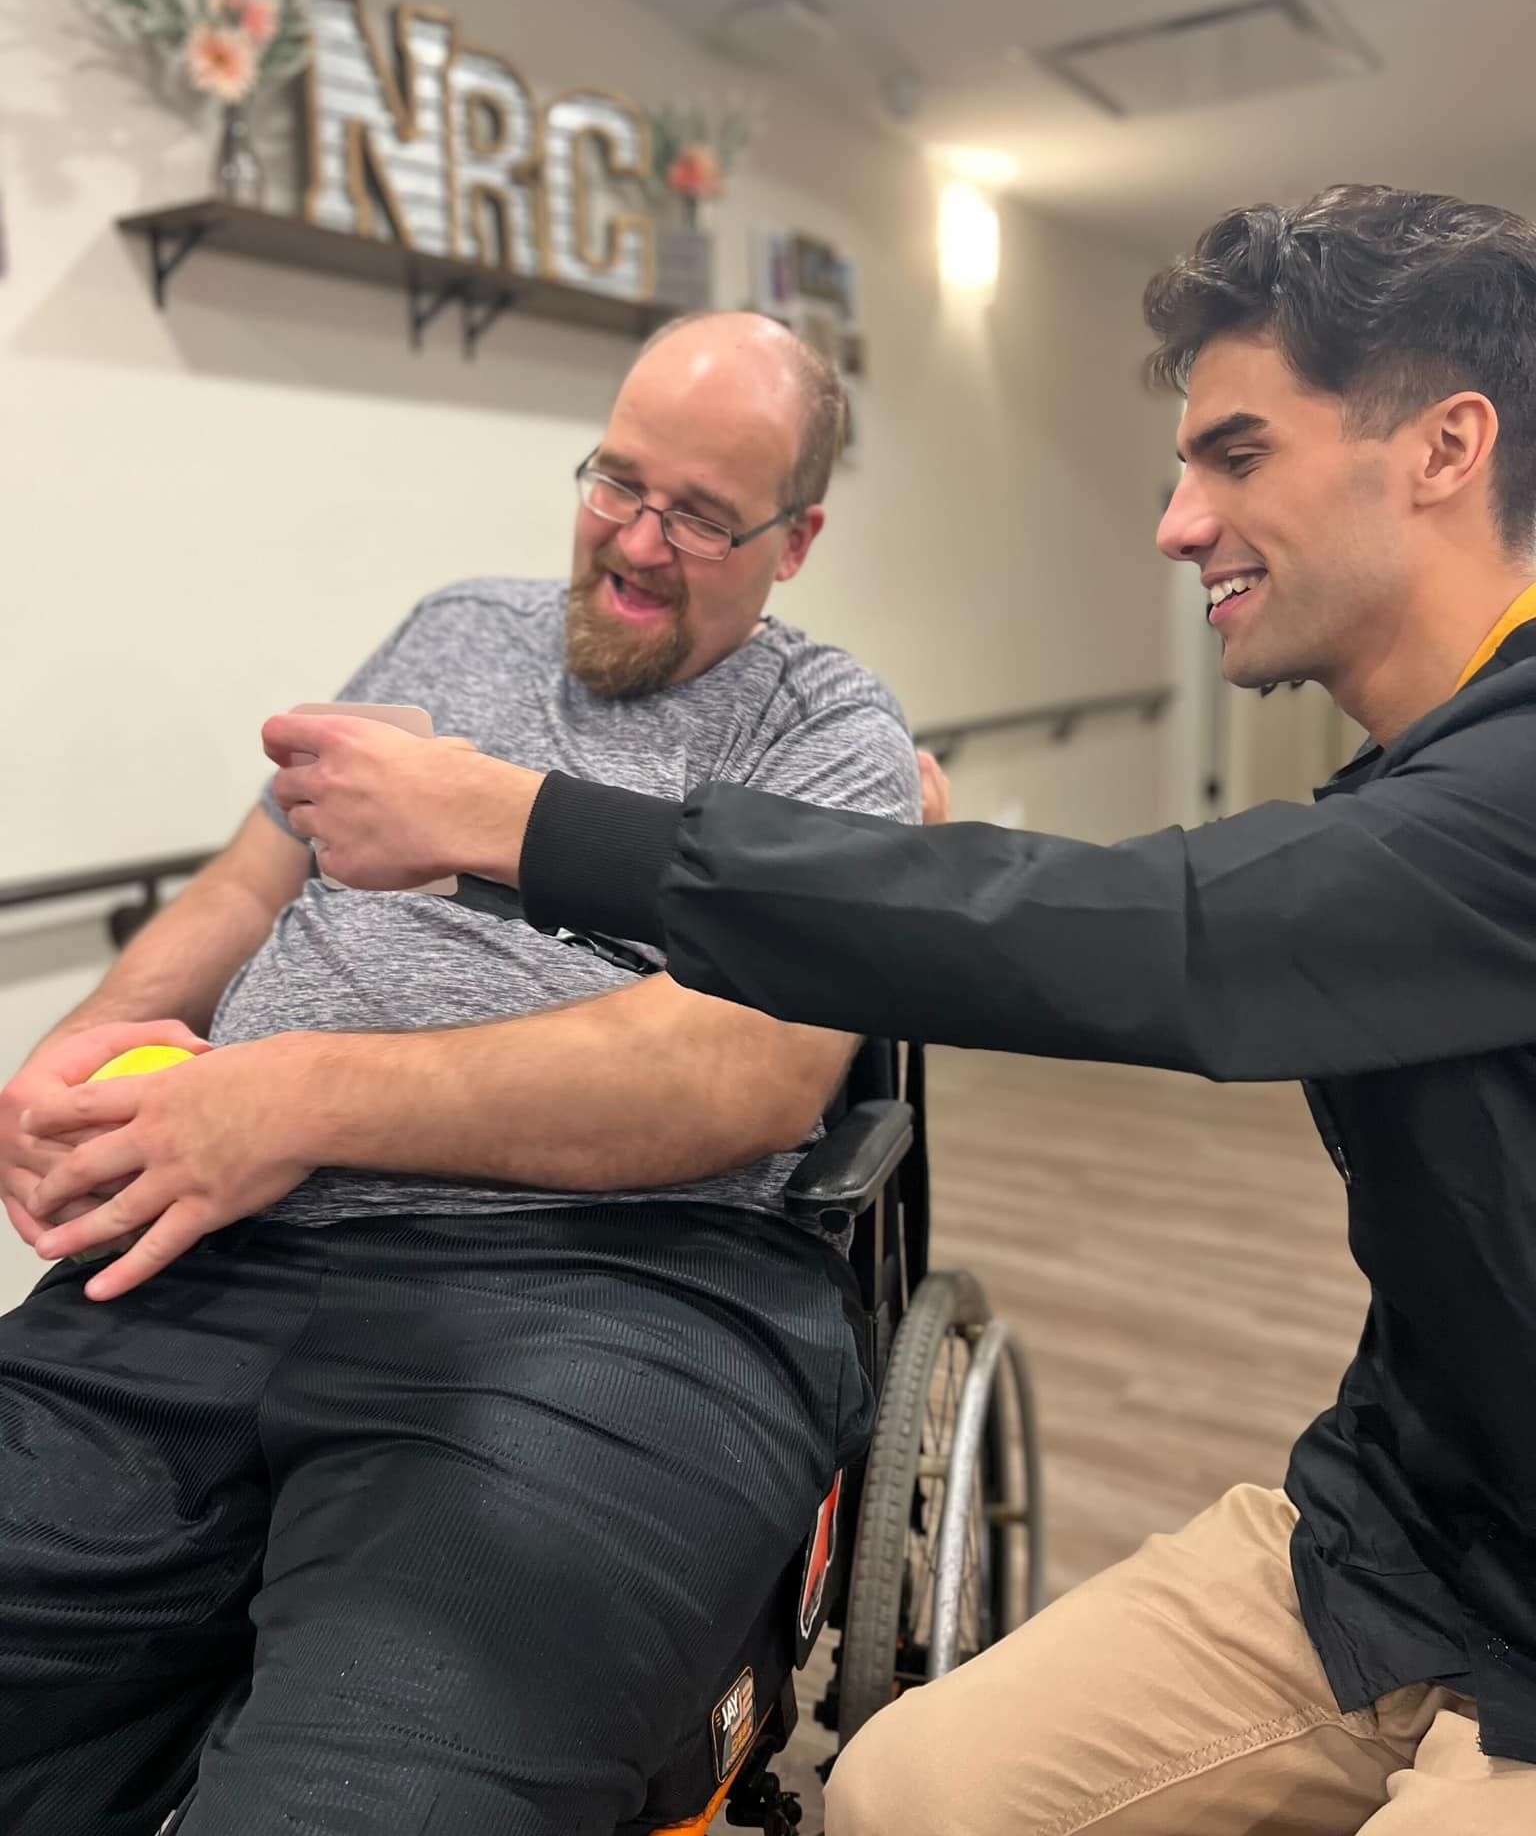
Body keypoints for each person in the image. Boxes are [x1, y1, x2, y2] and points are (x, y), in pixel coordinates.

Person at [235, 187, 1536, 1831]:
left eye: (1240, 456)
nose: (1176, 522)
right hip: (1402, 1537)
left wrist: (516, 819)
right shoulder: (1416, 781)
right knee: (903, 1791)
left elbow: (1173, 934)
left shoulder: (1507, 792)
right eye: (1184, 465)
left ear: (1446, 446)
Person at [0, 312, 922, 1836]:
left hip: (608, 1300)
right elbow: (246, 888)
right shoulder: (452, 632)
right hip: (215, 1261)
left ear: (797, 539)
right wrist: (81, 1048)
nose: (633, 540)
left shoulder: (828, 734)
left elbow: (744, 1072)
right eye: (614, 481)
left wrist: (292, 1099)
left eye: (697, 513)